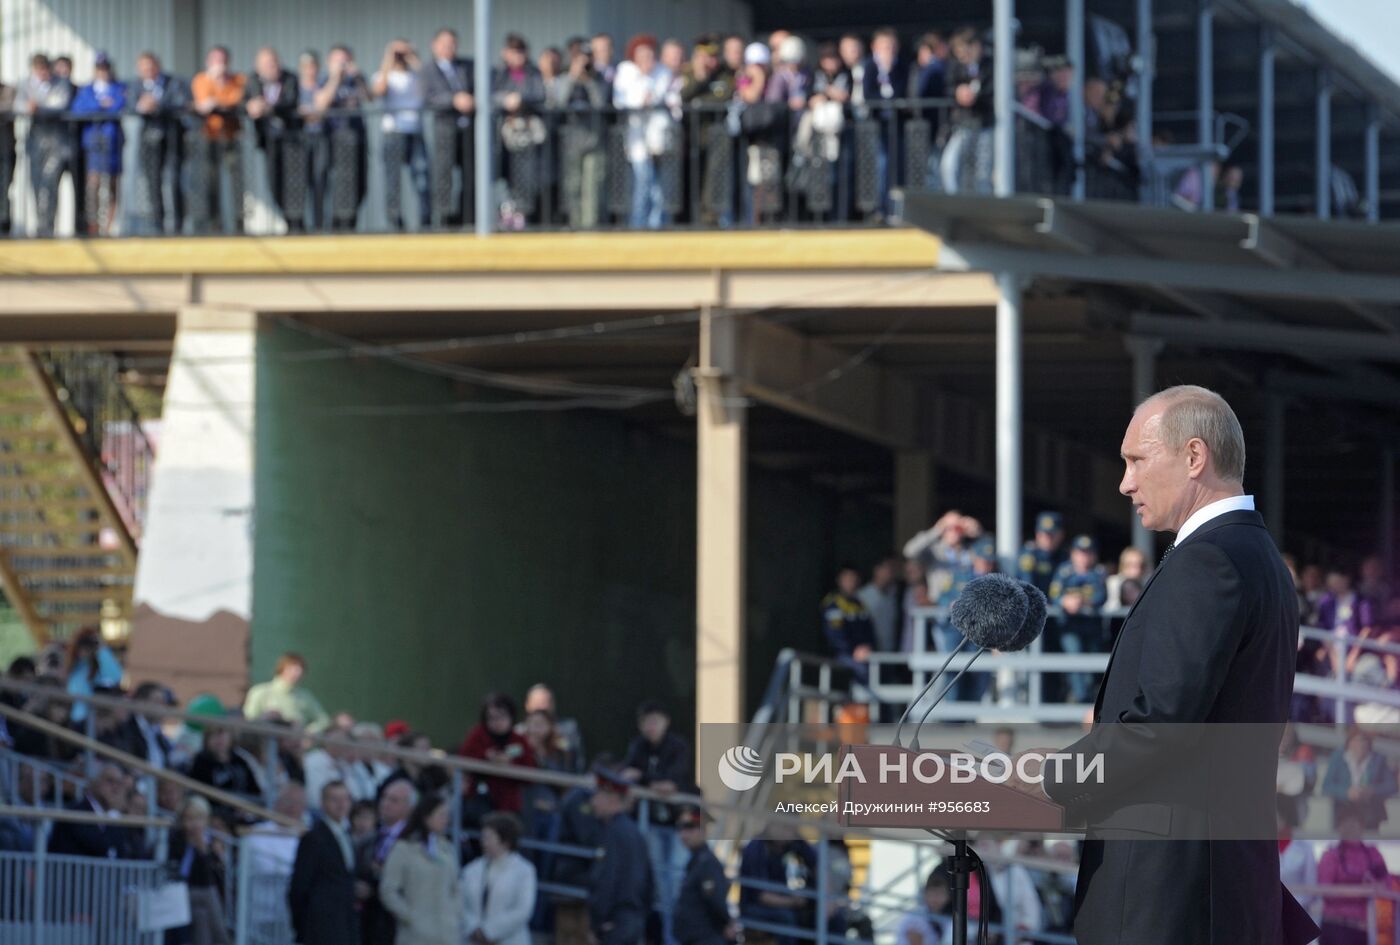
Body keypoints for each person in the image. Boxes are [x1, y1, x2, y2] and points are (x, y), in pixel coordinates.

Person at [1017, 385, 1319, 945]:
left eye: (1136, 459)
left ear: (1194, 456)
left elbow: (1160, 725)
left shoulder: (1209, 560)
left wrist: (1048, 778)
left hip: (1169, 899)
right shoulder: (1257, 558)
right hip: (1210, 889)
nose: (1125, 482)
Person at [621, 701, 693, 945]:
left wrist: (642, 778)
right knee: (655, 884)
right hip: (650, 822)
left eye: (656, 720)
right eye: (646, 722)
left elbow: (671, 784)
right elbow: (626, 777)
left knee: (675, 881)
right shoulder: (638, 747)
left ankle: (673, 939)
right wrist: (650, 783)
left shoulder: (677, 746)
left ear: (666, 722)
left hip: (678, 824)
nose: (651, 726)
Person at [379, 792, 462, 945]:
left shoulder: (448, 849)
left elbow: (456, 888)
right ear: (426, 816)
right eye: (441, 815)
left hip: (446, 934)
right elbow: (388, 890)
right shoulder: (404, 848)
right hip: (415, 936)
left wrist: (453, 914)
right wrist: (410, 916)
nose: (446, 820)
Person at [613, 34, 673, 230]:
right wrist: (642, 97)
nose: (647, 60)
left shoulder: (662, 72)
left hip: (659, 138)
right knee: (643, 181)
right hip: (637, 138)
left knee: (659, 186)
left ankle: (656, 223)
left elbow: (665, 96)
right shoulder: (625, 72)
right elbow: (622, 101)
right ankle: (638, 224)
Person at [289, 781, 360, 945]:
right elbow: (299, 887)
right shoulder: (313, 838)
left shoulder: (347, 836)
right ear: (322, 803)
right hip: (320, 927)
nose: (341, 804)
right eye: (334, 799)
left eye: (345, 799)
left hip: (345, 925)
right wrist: (302, 928)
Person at [589, 768, 652, 945]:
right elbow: (649, 884)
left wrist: (598, 924)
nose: (593, 802)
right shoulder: (635, 833)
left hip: (614, 924)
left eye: (598, 796)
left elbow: (606, 880)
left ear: (613, 799)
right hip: (632, 921)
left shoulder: (613, 834)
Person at [420, 28, 475, 228]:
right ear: (434, 45)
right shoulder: (427, 70)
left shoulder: (467, 66)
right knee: (443, 176)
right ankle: (444, 220)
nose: (449, 47)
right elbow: (428, 97)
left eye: (452, 43)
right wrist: (454, 100)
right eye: (444, 43)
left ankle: (468, 218)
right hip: (444, 129)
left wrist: (470, 100)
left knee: (471, 175)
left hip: (468, 130)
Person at [372, 40, 430, 231]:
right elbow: (378, 90)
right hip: (393, 132)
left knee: (422, 178)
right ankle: (395, 222)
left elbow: (431, 86)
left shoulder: (416, 76)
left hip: (415, 132)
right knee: (393, 181)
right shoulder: (383, 75)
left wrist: (413, 57)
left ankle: (425, 220)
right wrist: (389, 57)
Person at [246, 47, 305, 232]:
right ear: (258, 67)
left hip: (291, 140)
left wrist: (269, 108)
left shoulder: (290, 78)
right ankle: (287, 219)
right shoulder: (253, 81)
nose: (272, 67)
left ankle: (297, 223)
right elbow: (242, 103)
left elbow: (291, 101)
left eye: (274, 62)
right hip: (268, 141)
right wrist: (250, 106)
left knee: (293, 182)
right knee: (274, 182)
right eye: (267, 64)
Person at [190, 45, 247, 233]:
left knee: (236, 182)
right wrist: (214, 87)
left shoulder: (238, 80)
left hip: (231, 137)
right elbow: (203, 103)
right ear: (208, 63)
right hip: (210, 138)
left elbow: (236, 100)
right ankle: (214, 225)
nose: (219, 66)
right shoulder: (201, 80)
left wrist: (218, 95)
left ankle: (239, 224)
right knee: (210, 182)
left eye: (222, 61)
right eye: (215, 61)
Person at [15, 53, 73, 237]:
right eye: (38, 69)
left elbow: (60, 104)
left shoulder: (60, 83)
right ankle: (40, 225)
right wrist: (28, 108)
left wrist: (38, 107)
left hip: (55, 140)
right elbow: (18, 105)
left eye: (45, 69)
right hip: (35, 139)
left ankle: (48, 226)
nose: (42, 73)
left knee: (50, 184)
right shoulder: (25, 84)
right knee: (36, 183)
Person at [314, 44, 370, 231]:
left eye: (345, 61)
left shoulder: (356, 81)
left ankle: (350, 223)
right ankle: (335, 224)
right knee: (336, 184)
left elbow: (369, 98)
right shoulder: (324, 80)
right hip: (333, 139)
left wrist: (359, 76)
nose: (342, 65)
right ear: (329, 63)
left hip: (357, 139)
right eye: (338, 61)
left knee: (359, 185)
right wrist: (335, 78)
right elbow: (320, 104)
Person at [1047, 534, 1109, 703]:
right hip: (1070, 626)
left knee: (1091, 666)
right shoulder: (1064, 571)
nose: (1084, 557)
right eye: (1081, 552)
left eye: (1088, 553)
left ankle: (1087, 700)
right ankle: (1081, 699)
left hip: (1091, 627)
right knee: (1074, 661)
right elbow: (1053, 595)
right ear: (1073, 553)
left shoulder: (1098, 572)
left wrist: (1083, 601)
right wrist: (1065, 601)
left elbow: (1101, 596)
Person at [1317, 803, 1390, 945]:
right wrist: (1362, 889)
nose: (1350, 827)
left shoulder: (1373, 855)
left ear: (1362, 826)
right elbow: (1325, 891)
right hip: (1335, 927)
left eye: (1354, 823)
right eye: (1345, 823)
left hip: (1363, 929)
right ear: (1339, 827)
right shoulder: (1330, 855)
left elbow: (1386, 885)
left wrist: (1371, 886)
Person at [70, 52, 126, 235]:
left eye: (105, 68)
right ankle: (93, 224)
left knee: (112, 184)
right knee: (92, 184)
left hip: (112, 141)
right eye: (99, 68)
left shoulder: (118, 88)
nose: (102, 71)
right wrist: (100, 106)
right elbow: (78, 109)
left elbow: (121, 104)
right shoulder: (87, 90)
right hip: (93, 141)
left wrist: (108, 106)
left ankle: (109, 225)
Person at [131, 51, 187, 234]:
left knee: (174, 181)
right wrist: (141, 106)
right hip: (150, 141)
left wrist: (158, 105)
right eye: (144, 67)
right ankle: (157, 224)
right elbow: (129, 103)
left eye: (151, 66)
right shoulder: (136, 86)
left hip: (172, 139)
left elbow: (181, 101)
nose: (148, 70)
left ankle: (178, 223)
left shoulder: (173, 82)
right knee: (153, 183)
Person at [356, 775, 416, 945]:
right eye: (384, 798)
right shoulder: (370, 839)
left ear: (408, 807)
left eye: (394, 800)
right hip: (369, 920)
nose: (385, 804)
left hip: (396, 922)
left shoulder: (414, 841)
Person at [461, 811, 537, 945]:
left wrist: (489, 931)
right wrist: (473, 928)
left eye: (489, 838)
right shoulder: (472, 869)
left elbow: (523, 910)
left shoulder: (524, 870)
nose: (484, 842)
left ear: (505, 842)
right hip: (474, 939)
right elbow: (460, 902)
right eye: (483, 837)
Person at [457, 693, 535, 816]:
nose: (497, 722)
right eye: (491, 718)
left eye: (501, 716)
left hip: (508, 803)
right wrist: (486, 757)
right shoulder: (477, 735)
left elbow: (530, 768)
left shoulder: (519, 740)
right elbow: (464, 757)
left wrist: (510, 764)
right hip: (479, 799)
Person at [168, 795, 231, 945]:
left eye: (199, 818)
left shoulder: (210, 844)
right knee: (208, 896)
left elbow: (213, 878)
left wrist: (204, 850)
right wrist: (199, 849)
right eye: (189, 818)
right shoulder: (175, 839)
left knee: (201, 916)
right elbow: (183, 873)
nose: (194, 824)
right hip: (178, 892)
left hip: (199, 901)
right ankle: (223, 939)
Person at [50, 763, 145, 859]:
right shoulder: (75, 813)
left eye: (119, 784)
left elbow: (119, 852)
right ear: (93, 782)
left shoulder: (114, 818)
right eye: (110, 781)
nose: (115, 788)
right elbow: (100, 848)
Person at [940, 27, 995, 194]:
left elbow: (994, 91)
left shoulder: (990, 65)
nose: (962, 55)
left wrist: (975, 95)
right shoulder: (956, 67)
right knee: (949, 165)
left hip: (984, 124)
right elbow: (946, 88)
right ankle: (953, 202)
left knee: (982, 170)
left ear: (976, 46)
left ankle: (983, 208)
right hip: (962, 125)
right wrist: (958, 92)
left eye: (965, 50)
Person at [673, 807, 732, 945]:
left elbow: (715, 900)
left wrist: (726, 923)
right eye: (680, 828)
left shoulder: (707, 863)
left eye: (690, 828)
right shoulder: (696, 861)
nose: (684, 834)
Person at [1321, 728, 1396, 830]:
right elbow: (1327, 785)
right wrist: (1346, 792)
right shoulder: (1338, 758)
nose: (1360, 745)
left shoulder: (1378, 759)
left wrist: (1372, 791)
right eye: (1356, 740)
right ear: (1349, 743)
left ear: (1369, 743)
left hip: (1370, 813)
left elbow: (1391, 786)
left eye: (1364, 740)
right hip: (1344, 811)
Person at [243, 653, 331, 733]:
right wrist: (267, 718)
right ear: (282, 668)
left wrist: (306, 733)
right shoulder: (260, 691)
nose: (297, 673)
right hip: (266, 743)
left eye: (300, 670)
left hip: (296, 745)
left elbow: (323, 720)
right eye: (293, 668)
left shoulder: (305, 696)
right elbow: (249, 719)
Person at [820, 565, 875, 686]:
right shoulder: (833, 604)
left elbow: (869, 631)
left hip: (864, 655)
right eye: (847, 579)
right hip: (842, 655)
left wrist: (867, 646)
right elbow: (835, 636)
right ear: (839, 580)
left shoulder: (859, 604)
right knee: (861, 671)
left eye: (853, 579)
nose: (850, 582)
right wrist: (852, 651)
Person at [64, 626, 123, 724]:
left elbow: (115, 677)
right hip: (71, 719)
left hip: (92, 720)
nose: (85, 650)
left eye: (89, 645)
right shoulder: (71, 669)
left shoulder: (98, 669)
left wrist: (101, 649)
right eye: (82, 645)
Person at [896, 866, 953, 945]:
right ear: (925, 894)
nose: (935, 898)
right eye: (932, 893)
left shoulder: (946, 918)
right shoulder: (915, 917)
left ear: (948, 897)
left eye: (940, 894)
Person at [1017, 511, 1066, 596]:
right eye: (1044, 534)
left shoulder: (1065, 556)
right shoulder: (1029, 555)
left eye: (1052, 535)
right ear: (1037, 534)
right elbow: (1028, 589)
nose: (1048, 539)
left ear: (1061, 535)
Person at [857, 557, 900, 652]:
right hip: (869, 654)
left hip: (890, 654)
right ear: (877, 570)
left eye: (894, 568)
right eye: (888, 568)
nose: (891, 572)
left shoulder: (894, 596)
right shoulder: (861, 596)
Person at [1106, 545, 1149, 610]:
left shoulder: (1148, 582)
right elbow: (1112, 607)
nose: (1137, 570)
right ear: (1123, 565)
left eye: (1141, 565)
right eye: (1132, 565)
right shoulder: (1113, 582)